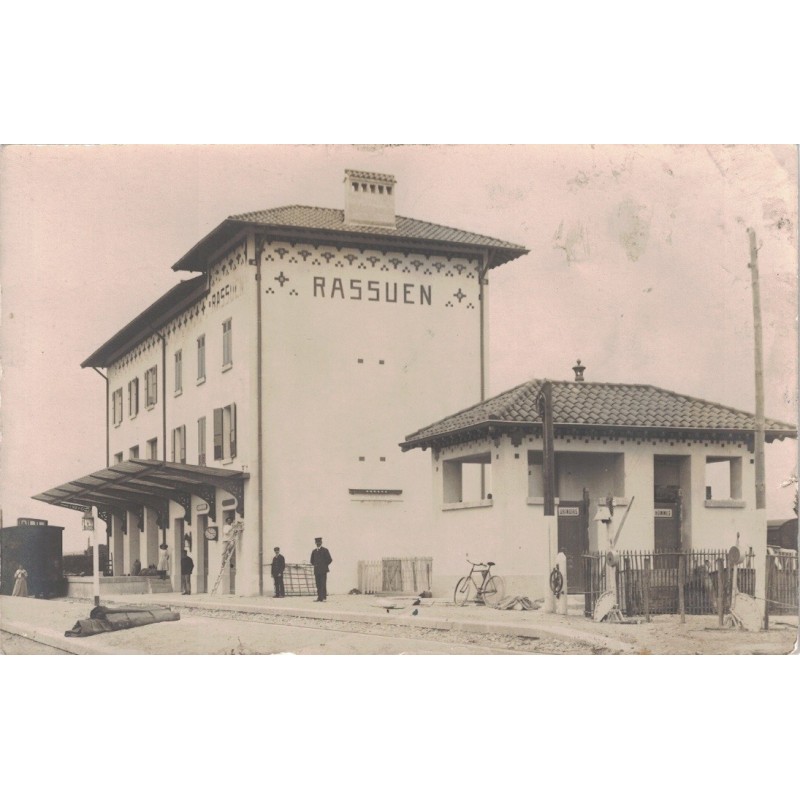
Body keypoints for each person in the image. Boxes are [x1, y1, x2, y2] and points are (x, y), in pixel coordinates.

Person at [310, 537, 332, 602]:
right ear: (315, 543)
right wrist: (316, 565)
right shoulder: (314, 551)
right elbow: (311, 561)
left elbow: (329, 560)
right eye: (317, 542)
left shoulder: (325, 550)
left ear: (321, 543)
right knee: (318, 584)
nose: (318, 544)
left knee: (323, 584)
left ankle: (324, 597)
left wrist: (324, 565)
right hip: (317, 570)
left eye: (319, 542)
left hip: (323, 570)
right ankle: (319, 597)